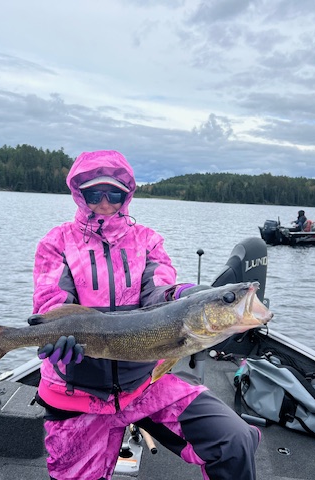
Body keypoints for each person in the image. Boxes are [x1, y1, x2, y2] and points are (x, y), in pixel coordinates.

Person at [32, 150, 260, 480]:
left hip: (143, 387)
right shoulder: (57, 242)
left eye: (114, 194)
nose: (105, 203)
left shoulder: (148, 241)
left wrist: (185, 294)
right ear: (80, 195)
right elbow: (52, 301)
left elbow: (160, 290)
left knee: (234, 439)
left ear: (127, 195)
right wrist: (53, 330)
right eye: (95, 194)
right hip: (76, 394)